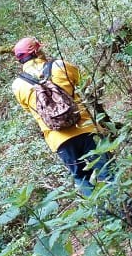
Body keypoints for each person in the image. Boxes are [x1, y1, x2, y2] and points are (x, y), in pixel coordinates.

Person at [11, 37, 113, 197]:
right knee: (107, 172)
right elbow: (85, 84)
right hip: (86, 127)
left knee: (81, 177)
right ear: (37, 50)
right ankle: (130, 217)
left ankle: (105, 218)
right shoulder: (61, 65)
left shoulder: (17, 85)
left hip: (59, 140)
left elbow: (30, 110)